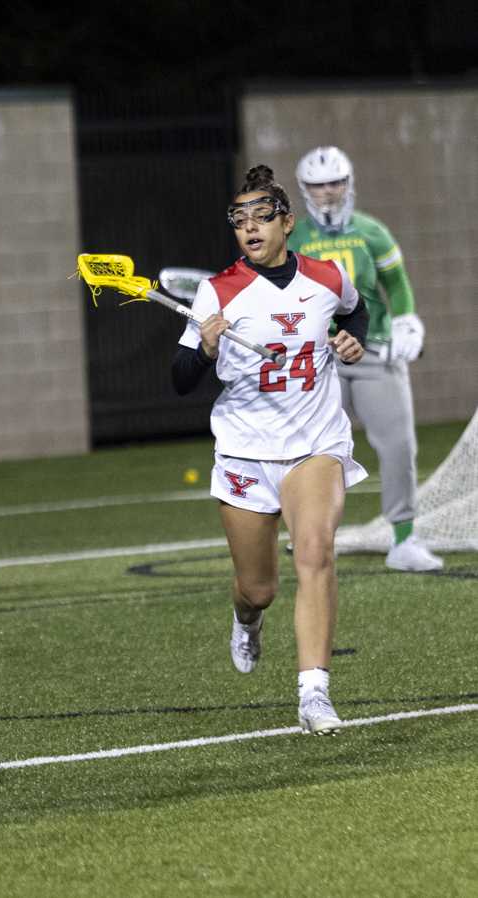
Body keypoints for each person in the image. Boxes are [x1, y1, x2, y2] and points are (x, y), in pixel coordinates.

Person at [171, 165, 370, 735]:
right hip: (245, 452)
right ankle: (246, 618)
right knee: (259, 587)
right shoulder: (218, 291)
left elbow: (355, 312)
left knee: (315, 552)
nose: (250, 227)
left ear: (288, 221)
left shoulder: (327, 278)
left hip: (316, 443)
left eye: (261, 216)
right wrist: (206, 348)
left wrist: (354, 340)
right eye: (239, 220)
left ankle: (314, 695)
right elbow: (181, 378)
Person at [291, 146, 442, 572]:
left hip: (373, 348)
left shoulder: (372, 231)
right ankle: (313, 536)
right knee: (314, 451)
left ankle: (404, 538)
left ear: (349, 183)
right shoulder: (296, 238)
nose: (327, 193)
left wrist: (408, 320)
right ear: (305, 190)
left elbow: (397, 283)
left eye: (335, 183)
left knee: (398, 445)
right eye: (318, 186)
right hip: (320, 355)